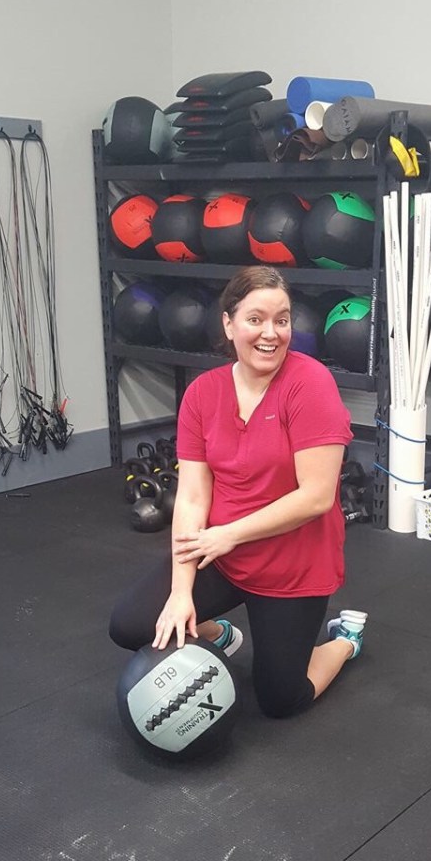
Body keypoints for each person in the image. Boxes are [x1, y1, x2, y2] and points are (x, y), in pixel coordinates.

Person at [109, 265, 368, 718]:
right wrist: (181, 592)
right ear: (228, 324)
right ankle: (219, 634)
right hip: (223, 557)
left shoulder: (310, 385)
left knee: (279, 699)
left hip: (293, 567)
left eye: (282, 320)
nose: (271, 333)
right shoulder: (203, 394)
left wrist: (228, 534)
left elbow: (316, 497)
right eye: (255, 319)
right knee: (131, 625)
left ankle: (345, 640)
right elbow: (191, 497)